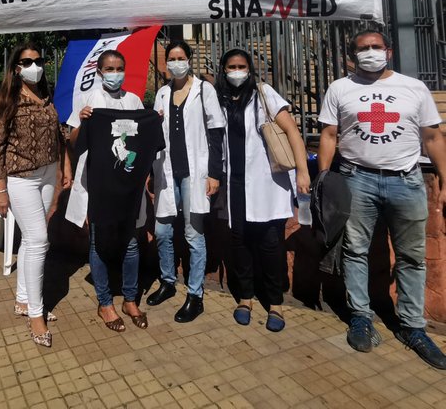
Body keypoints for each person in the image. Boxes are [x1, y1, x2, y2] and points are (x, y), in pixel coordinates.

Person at [318, 29, 446, 369]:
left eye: (376, 47)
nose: (370, 53)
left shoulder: (412, 87)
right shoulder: (340, 88)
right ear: (352, 55)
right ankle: (361, 316)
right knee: (355, 250)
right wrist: (324, 178)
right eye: (363, 49)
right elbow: (329, 135)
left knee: (411, 257)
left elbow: (432, 136)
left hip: (407, 181)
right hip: (357, 179)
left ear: (388, 51)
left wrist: (445, 175)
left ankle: (412, 326)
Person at [216, 48, 310, 332]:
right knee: (240, 243)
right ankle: (245, 298)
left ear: (250, 69)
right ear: (223, 70)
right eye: (231, 66)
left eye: (241, 66)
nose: (236, 71)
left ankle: (276, 303)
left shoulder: (263, 93)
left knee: (270, 245)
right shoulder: (219, 99)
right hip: (235, 183)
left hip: (267, 182)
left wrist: (303, 171)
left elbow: (292, 131)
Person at [0, 43, 71, 348]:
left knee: (29, 239)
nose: (34, 66)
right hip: (20, 179)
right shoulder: (5, 101)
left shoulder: (45, 97)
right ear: (15, 68)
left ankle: (23, 299)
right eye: (27, 62)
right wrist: (0, 190)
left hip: (48, 173)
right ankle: (36, 314)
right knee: (39, 240)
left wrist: (64, 166)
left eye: (38, 61)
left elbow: (57, 135)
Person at [66, 49, 150, 332]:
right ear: (100, 72)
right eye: (110, 69)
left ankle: (129, 298)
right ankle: (104, 302)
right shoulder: (89, 99)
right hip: (98, 186)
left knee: (131, 243)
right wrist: (84, 120)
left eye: (119, 68)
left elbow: (144, 137)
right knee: (97, 243)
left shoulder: (134, 100)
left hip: (126, 185)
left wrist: (155, 120)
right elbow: (74, 140)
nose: (115, 73)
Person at [147, 41, 225, 322]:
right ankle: (168, 282)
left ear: (189, 59)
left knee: (193, 235)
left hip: (195, 173)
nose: (176, 62)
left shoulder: (205, 90)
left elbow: (216, 132)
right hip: (167, 172)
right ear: (166, 62)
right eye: (171, 58)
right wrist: (151, 172)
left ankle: (195, 295)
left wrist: (215, 173)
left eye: (181, 57)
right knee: (163, 231)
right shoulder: (162, 93)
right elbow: (156, 136)